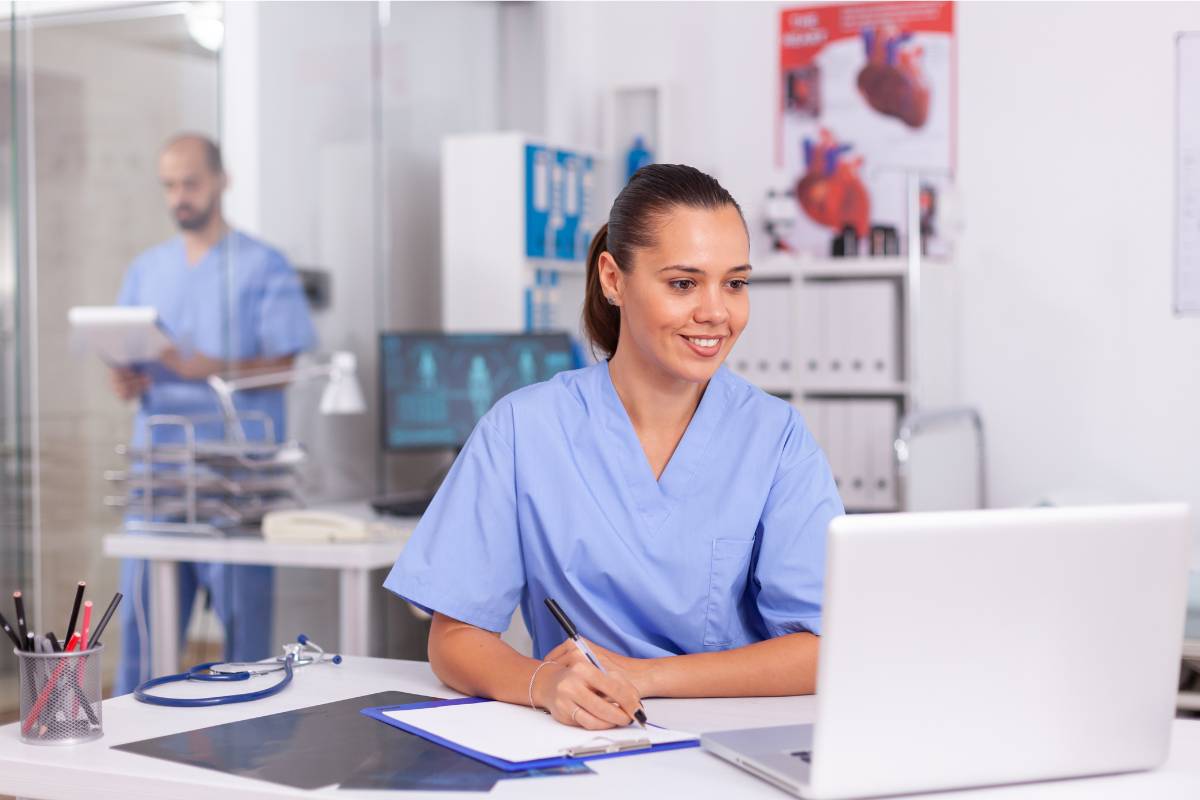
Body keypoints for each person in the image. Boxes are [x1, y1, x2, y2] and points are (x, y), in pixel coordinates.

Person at [384, 164, 843, 729]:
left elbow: (825, 647)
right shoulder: (523, 429)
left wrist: (643, 675)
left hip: (734, 740)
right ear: (613, 278)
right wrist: (542, 683)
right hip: (582, 734)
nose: (716, 312)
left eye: (735, 283)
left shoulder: (776, 438)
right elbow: (453, 638)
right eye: (683, 283)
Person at [110, 133, 316, 694]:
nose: (180, 196)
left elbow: (285, 364)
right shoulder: (147, 269)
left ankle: (240, 758)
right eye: (170, 185)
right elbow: (128, 350)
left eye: (191, 183)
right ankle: (133, 763)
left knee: (243, 639)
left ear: (222, 181)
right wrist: (125, 376)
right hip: (160, 477)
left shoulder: (261, 265)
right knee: (142, 631)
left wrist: (211, 366)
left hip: (235, 479)